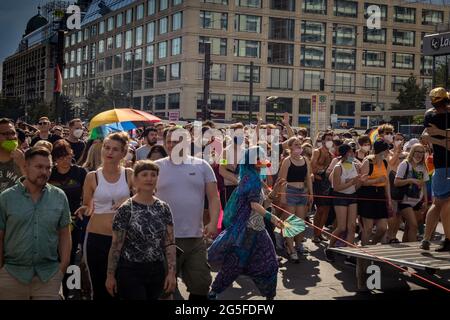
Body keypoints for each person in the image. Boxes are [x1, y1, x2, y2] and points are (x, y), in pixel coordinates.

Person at [208, 147, 284, 300]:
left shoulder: (255, 178)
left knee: (270, 263)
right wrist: (273, 219)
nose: (264, 160)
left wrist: (274, 192)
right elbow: (254, 205)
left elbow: (264, 203)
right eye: (260, 157)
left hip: (259, 230)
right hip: (247, 230)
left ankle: (270, 295)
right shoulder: (250, 180)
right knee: (235, 264)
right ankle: (214, 292)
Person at [155, 126, 220, 300]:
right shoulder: (155, 168)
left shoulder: (202, 165)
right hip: (163, 238)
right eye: (168, 141)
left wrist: (213, 222)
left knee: (201, 284)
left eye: (176, 141)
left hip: (194, 237)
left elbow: (213, 197)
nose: (171, 145)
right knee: (164, 288)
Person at [0, 147, 71, 300]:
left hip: (49, 276)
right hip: (11, 275)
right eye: (39, 167)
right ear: (25, 167)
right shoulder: (6, 198)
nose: (44, 172)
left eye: (48, 167)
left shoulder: (59, 196)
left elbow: (64, 232)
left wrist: (63, 266)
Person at [105, 160, 176, 300]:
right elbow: (116, 245)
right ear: (136, 179)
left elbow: (170, 242)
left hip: (157, 270)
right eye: (144, 175)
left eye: (153, 175)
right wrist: (110, 276)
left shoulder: (164, 208)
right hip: (130, 271)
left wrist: (171, 273)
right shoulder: (126, 208)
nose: (149, 178)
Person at [75, 132, 133, 300]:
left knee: (122, 288)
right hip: (96, 237)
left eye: (115, 149)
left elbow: (146, 197)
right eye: (107, 148)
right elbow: (88, 205)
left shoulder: (129, 174)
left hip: (123, 239)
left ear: (123, 153)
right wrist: (83, 208)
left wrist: (127, 199)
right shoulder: (92, 176)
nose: (109, 152)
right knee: (99, 290)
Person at [48, 140, 88, 278]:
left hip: (74, 219)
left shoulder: (80, 172)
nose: (65, 160)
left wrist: (85, 206)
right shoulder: (50, 174)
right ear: (54, 159)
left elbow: (88, 195)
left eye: (68, 156)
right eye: (60, 157)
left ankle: (71, 287)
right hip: (52, 220)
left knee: (71, 255)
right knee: (54, 253)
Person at [421, 87, 450, 251]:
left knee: (438, 203)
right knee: (444, 204)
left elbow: (426, 135)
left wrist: (436, 136)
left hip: (440, 165)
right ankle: (447, 239)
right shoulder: (440, 114)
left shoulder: (430, 115)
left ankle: (427, 238)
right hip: (444, 166)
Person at [325, 144, 365, 262]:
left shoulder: (356, 166)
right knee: (341, 227)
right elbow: (336, 187)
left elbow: (356, 187)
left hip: (352, 196)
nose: (353, 154)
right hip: (340, 197)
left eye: (353, 152)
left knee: (352, 226)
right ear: (344, 154)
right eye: (350, 153)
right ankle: (329, 247)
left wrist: (360, 182)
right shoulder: (338, 167)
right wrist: (352, 182)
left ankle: (349, 254)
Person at [278, 137, 313, 262]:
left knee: (300, 222)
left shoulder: (305, 160)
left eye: (300, 144)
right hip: (290, 192)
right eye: (296, 144)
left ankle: (298, 245)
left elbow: (308, 177)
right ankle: (291, 248)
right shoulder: (287, 161)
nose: (299, 146)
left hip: (302, 192)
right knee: (290, 223)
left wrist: (311, 193)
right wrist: (283, 196)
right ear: (290, 147)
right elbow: (282, 180)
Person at [358, 140, 392, 246]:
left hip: (380, 195)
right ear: (382, 151)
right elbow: (362, 182)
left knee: (382, 228)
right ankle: (363, 256)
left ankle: (372, 245)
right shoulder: (368, 161)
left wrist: (389, 200)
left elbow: (386, 182)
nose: (389, 152)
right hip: (368, 194)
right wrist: (376, 181)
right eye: (387, 150)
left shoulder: (385, 163)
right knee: (367, 229)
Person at [394, 144, 429, 242]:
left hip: (417, 200)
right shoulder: (405, 164)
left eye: (422, 152)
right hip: (405, 200)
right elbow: (396, 182)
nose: (419, 154)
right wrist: (411, 180)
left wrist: (425, 201)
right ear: (412, 152)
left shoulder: (422, 166)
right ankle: (415, 250)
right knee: (414, 225)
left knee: (409, 228)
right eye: (417, 151)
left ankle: (405, 252)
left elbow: (424, 185)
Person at [311, 131, 334, 243]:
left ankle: (319, 233)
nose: (329, 141)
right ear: (323, 140)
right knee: (319, 209)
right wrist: (319, 172)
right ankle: (315, 234)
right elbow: (312, 167)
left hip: (327, 184)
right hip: (318, 184)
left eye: (331, 139)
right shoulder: (317, 151)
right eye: (328, 139)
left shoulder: (331, 155)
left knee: (326, 210)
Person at [0, 118, 25, 193]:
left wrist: (22, 165)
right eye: (5, 134)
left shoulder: (26, 159)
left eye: (13, 133)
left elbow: (34, 189)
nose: (11, 137)